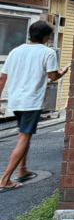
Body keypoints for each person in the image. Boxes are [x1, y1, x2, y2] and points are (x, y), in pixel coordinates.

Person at [0, 20, 68, 192]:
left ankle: (23, 170)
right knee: (24, 137)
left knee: (24, 135)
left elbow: (2, 77)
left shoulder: (15, 51)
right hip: (32, 102)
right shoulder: (48, 52)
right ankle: (5, 179)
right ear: (45, 36)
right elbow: (53, 76)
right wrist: (63, 72)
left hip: (16, 100)